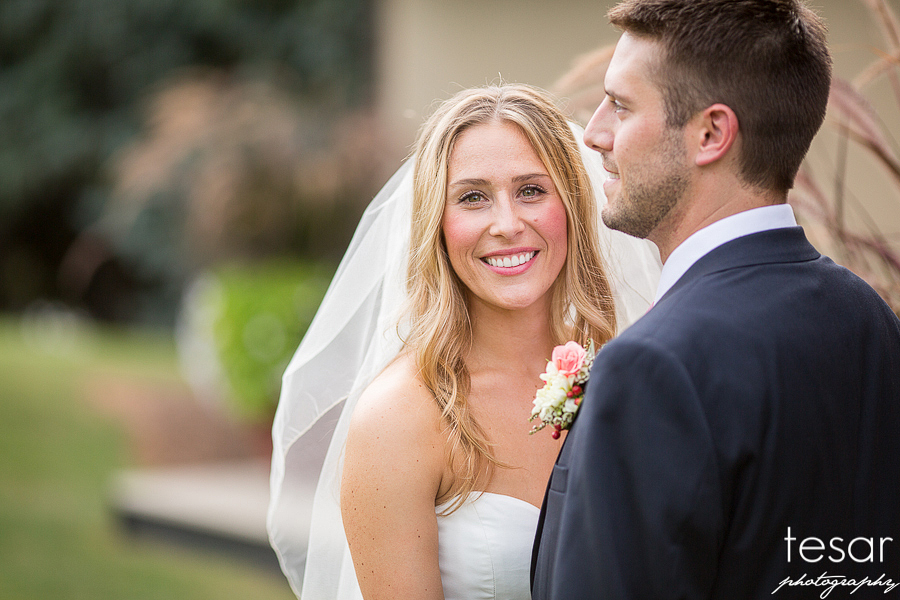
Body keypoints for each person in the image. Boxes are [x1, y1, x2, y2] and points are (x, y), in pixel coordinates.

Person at [531, 1, 900, 599]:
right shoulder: (869, 317)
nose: (595, 132)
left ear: (711, 133)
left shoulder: (655, 364)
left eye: (621, 105)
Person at [267, 83, 662, 599]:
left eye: (531, 191)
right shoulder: (402, 416)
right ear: (437, 223)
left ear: (570, 206)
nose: (506, 224)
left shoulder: (622, 379)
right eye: (473, 197)